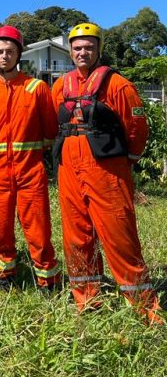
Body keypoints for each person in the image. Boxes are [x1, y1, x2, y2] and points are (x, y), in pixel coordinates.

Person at [52, 22, 162, 323]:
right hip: (70, 167)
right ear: (70, 50)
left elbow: (137, 125)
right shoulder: (60, 86)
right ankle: (87, 301)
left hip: (107, 168)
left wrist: (127, 161)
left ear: (99, 49)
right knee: (77, 236)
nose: (82, 52)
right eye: (77, 47)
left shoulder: (118, 85)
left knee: (119, 235)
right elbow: (55, 120)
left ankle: (144, 308)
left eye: (88, 46)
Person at [0, 26, 61, 289]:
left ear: (19, 54)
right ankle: (4, 277)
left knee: (38, 229)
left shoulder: (37, 89)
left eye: (10, 51)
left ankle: (48, 281)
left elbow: (50, 131)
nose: (4, 56)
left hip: (30, 172)